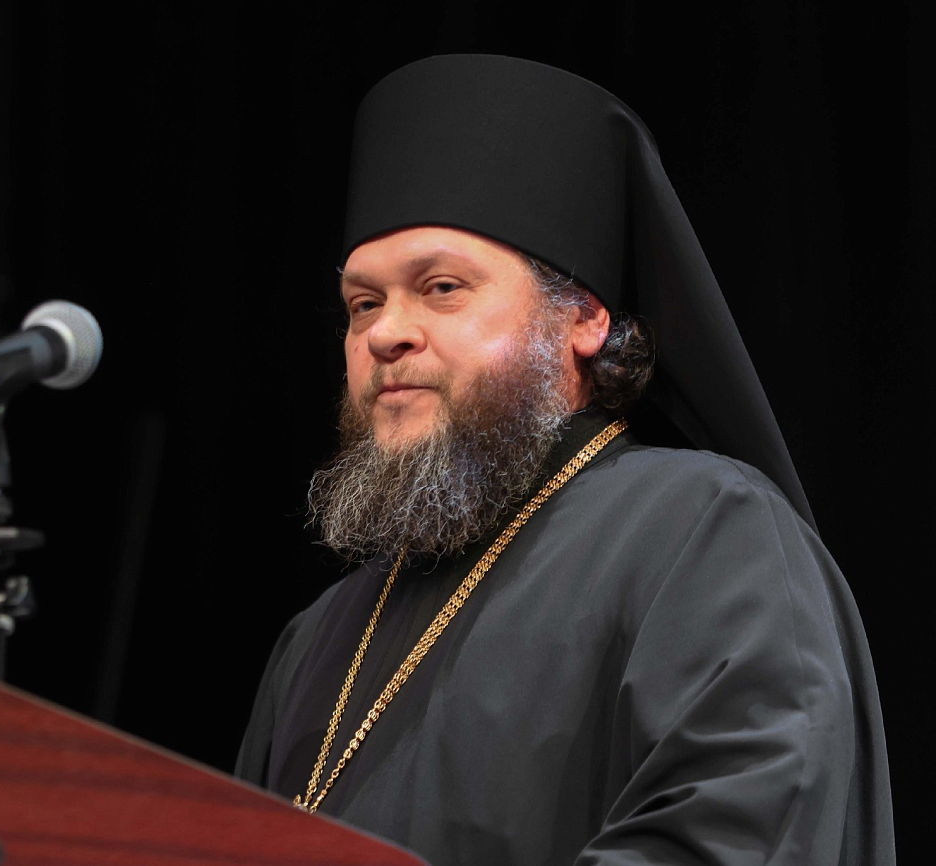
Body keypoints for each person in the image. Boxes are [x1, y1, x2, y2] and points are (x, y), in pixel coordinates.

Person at [235, 55, 894, 866]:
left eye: (441, 288)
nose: (385, 333)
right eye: (362, 304)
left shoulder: (705, 533)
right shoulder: (316, 638)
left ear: (581, 318)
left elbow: (737, 838)